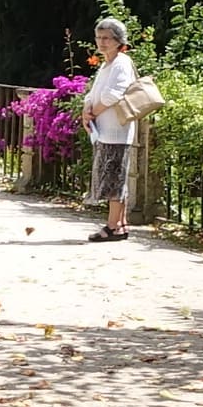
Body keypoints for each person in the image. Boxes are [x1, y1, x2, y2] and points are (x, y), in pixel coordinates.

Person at [80, 15, 143, 243]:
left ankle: (112, 226)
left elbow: (113, 95)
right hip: (104, 129)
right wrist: (87, 109)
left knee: (114, 177)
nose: (101, 42)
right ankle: (120, 225)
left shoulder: (121, 63)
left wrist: (93, 112)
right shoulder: (107, 64)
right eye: (98, 37)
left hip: (116, 129)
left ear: (118, 40)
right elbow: (94, 92)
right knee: (113, 176)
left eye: (107, 38)